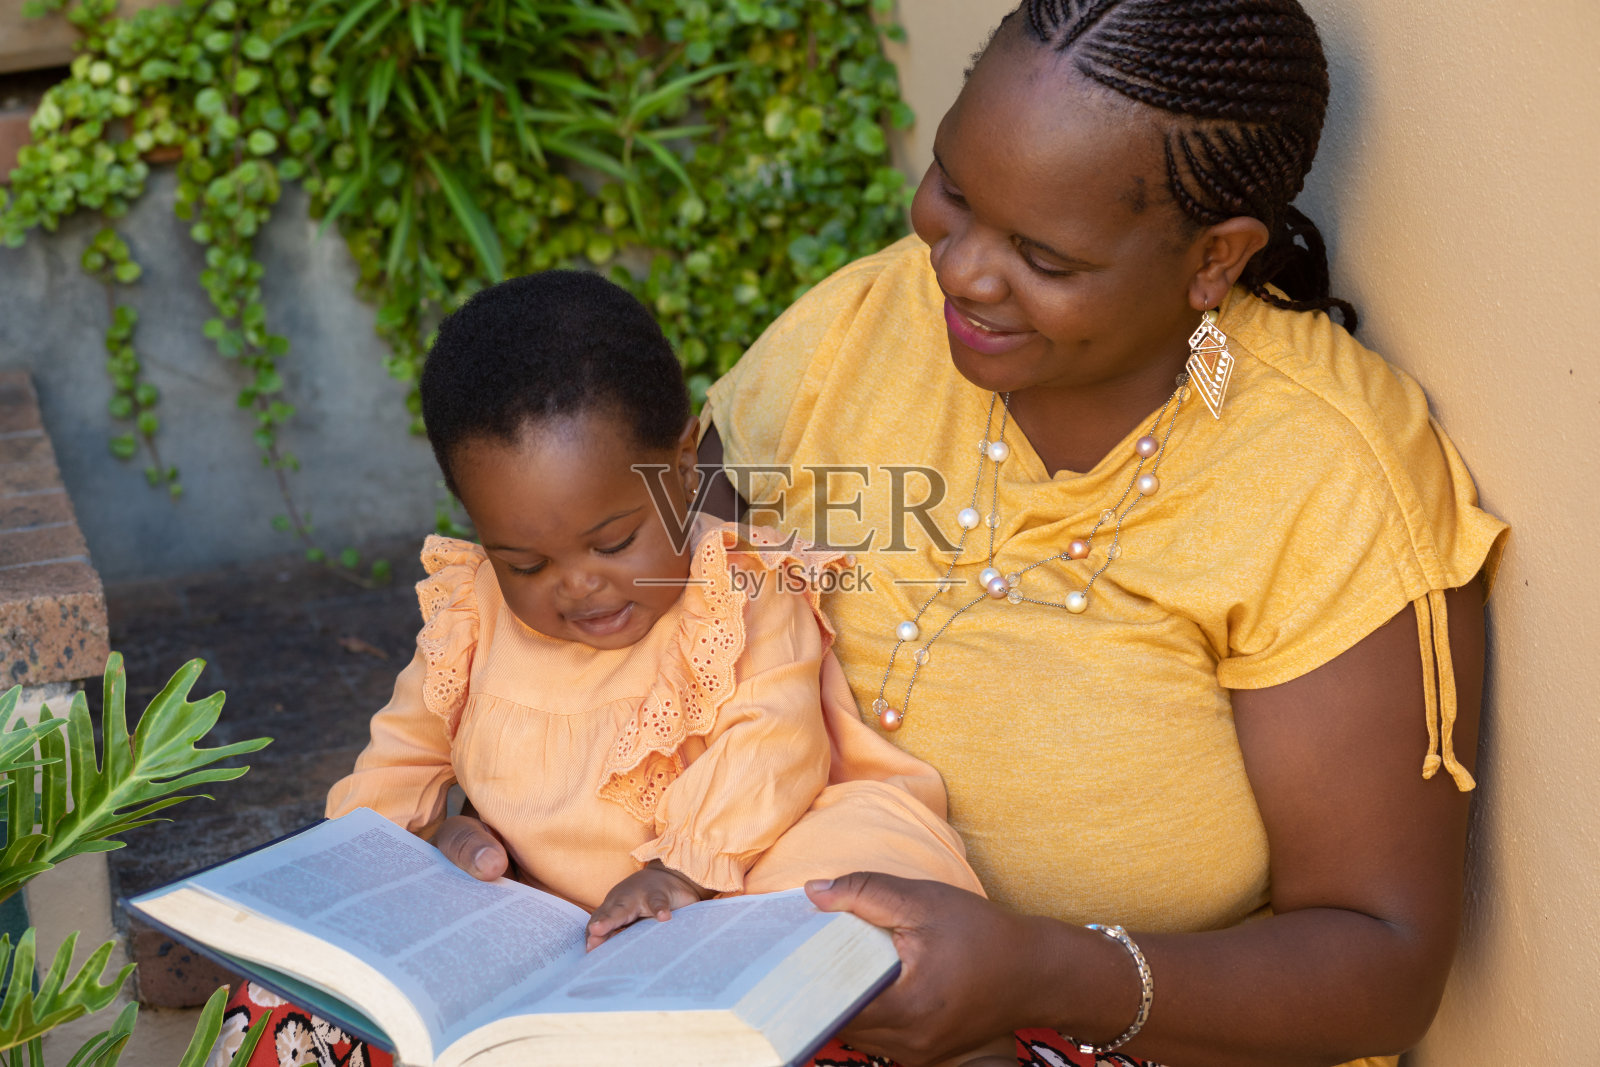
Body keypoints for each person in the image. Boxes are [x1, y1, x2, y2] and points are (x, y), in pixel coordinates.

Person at [432, 3, 1507, 1066]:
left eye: (1042, 253)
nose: (958, 270)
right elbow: (646, 580)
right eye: (953, 188)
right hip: (738, 936)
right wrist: (495, 800)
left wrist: (1038, 971)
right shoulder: (864, 324)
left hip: (1117, 1027)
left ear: (1213, 258)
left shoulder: (1323, 477)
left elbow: (1383, 967)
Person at [293, 270, 1006, 1066]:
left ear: (684, 464)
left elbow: (772, 746)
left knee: (866, 912)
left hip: (759, 850)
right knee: (319, 997)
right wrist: (404, 846)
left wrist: (681, 871)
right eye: (526, 560)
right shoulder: (474, 615)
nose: (579, 583)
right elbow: (399, 750)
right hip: (576, 912)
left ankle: (967, 1047)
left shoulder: (738, 587)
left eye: (613, 541)